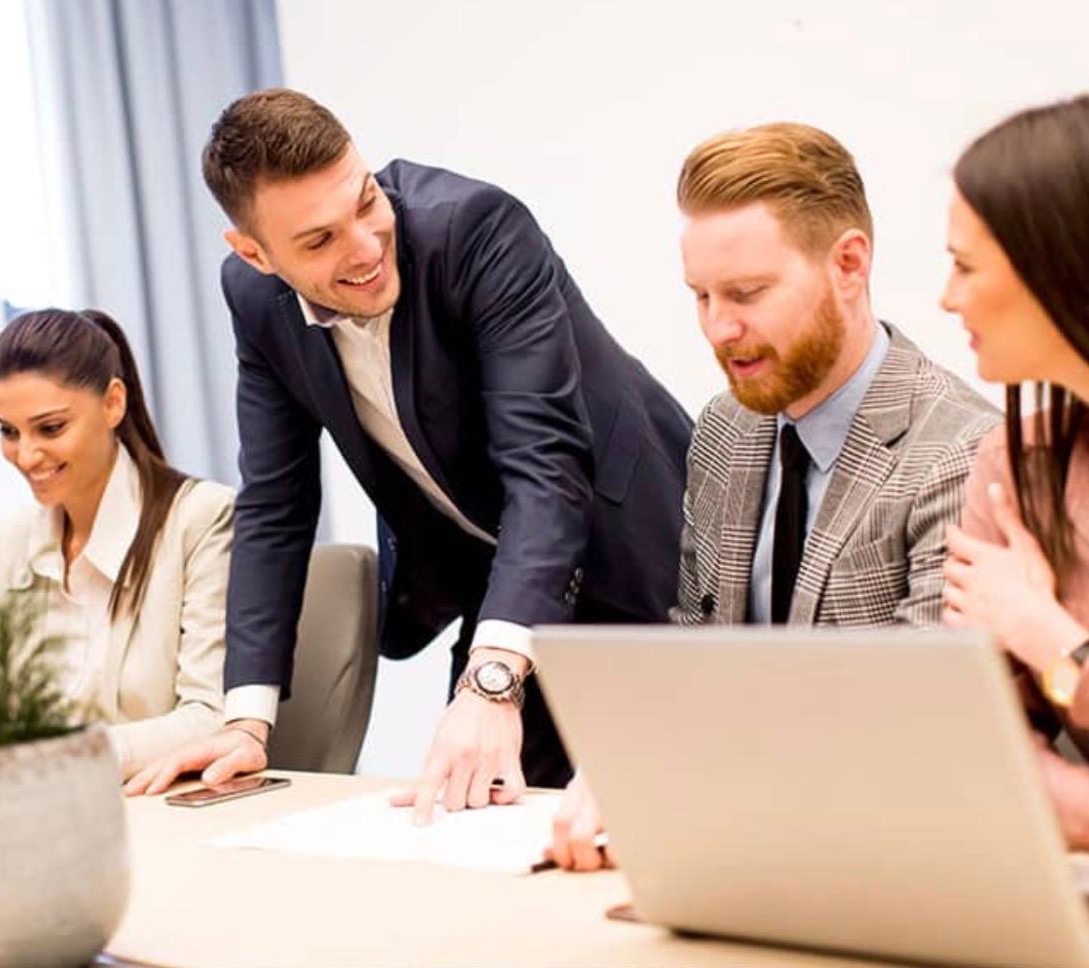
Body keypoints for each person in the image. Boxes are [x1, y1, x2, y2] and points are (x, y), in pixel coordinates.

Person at [127, 88, 692, 817]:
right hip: (496, 578)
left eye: (366, 202)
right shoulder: (255, 298)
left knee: (672, 816)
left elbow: (546, 466)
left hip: (636, 550)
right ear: (254, 254)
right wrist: (245, 720)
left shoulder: (477, 229)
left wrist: (492, 682)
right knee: (479, 813)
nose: (365, 247)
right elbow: (275, 502)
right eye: (319, 241)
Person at [551, 122, 998, 870]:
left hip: (891, 858)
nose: (719, 328)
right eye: (700, 296)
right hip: (737, 850)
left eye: (748, 294)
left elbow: (922, 723)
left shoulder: (963, 454)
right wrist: (634, 770)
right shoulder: (724, 431)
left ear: (849, 264)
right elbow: (696, 651)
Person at [0, 309, 233, 790]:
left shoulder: (200, 517)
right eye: (9, 432)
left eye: (51, 428)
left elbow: (209, 718)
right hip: (33, 803)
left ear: (113, 403)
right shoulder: (14, 536)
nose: (26, 455)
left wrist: (56, 757)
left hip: (151, 805)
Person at [939, 93, 1089, 847]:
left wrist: (1046, 638)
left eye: (966, 267)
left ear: (1059, 264)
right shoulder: (1013, 465)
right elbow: (969, 746)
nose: (946, 299)